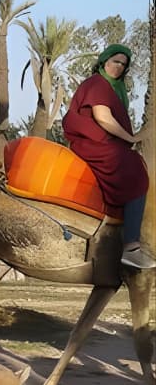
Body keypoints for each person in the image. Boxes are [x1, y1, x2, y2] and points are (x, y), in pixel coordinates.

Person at [62, 43, 155, 269]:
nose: (119, 67)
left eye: (123, 64)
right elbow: (103, 117)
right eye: (116, 61)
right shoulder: (97, 84)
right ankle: (131, 247)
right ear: (105, 61)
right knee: (134, 168)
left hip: (104, 143)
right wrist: (131, 138)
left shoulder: (114, 89)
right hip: (92, 143)